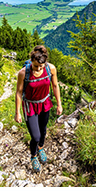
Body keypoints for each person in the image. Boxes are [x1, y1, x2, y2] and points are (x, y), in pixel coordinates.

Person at [14, 45, 63, 173]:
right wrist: (17, 112)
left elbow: (55, 86)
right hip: (30, 106)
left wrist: (59, 104)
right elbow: (19, 93)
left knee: (43, 130)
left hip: (44, 103)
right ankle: (34, 156)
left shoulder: (50, 69)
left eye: (41, 66)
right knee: (35, 136)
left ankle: (41, 148)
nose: (39, 69)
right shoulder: (23, 73)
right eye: (36, 66)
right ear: (31, 61)